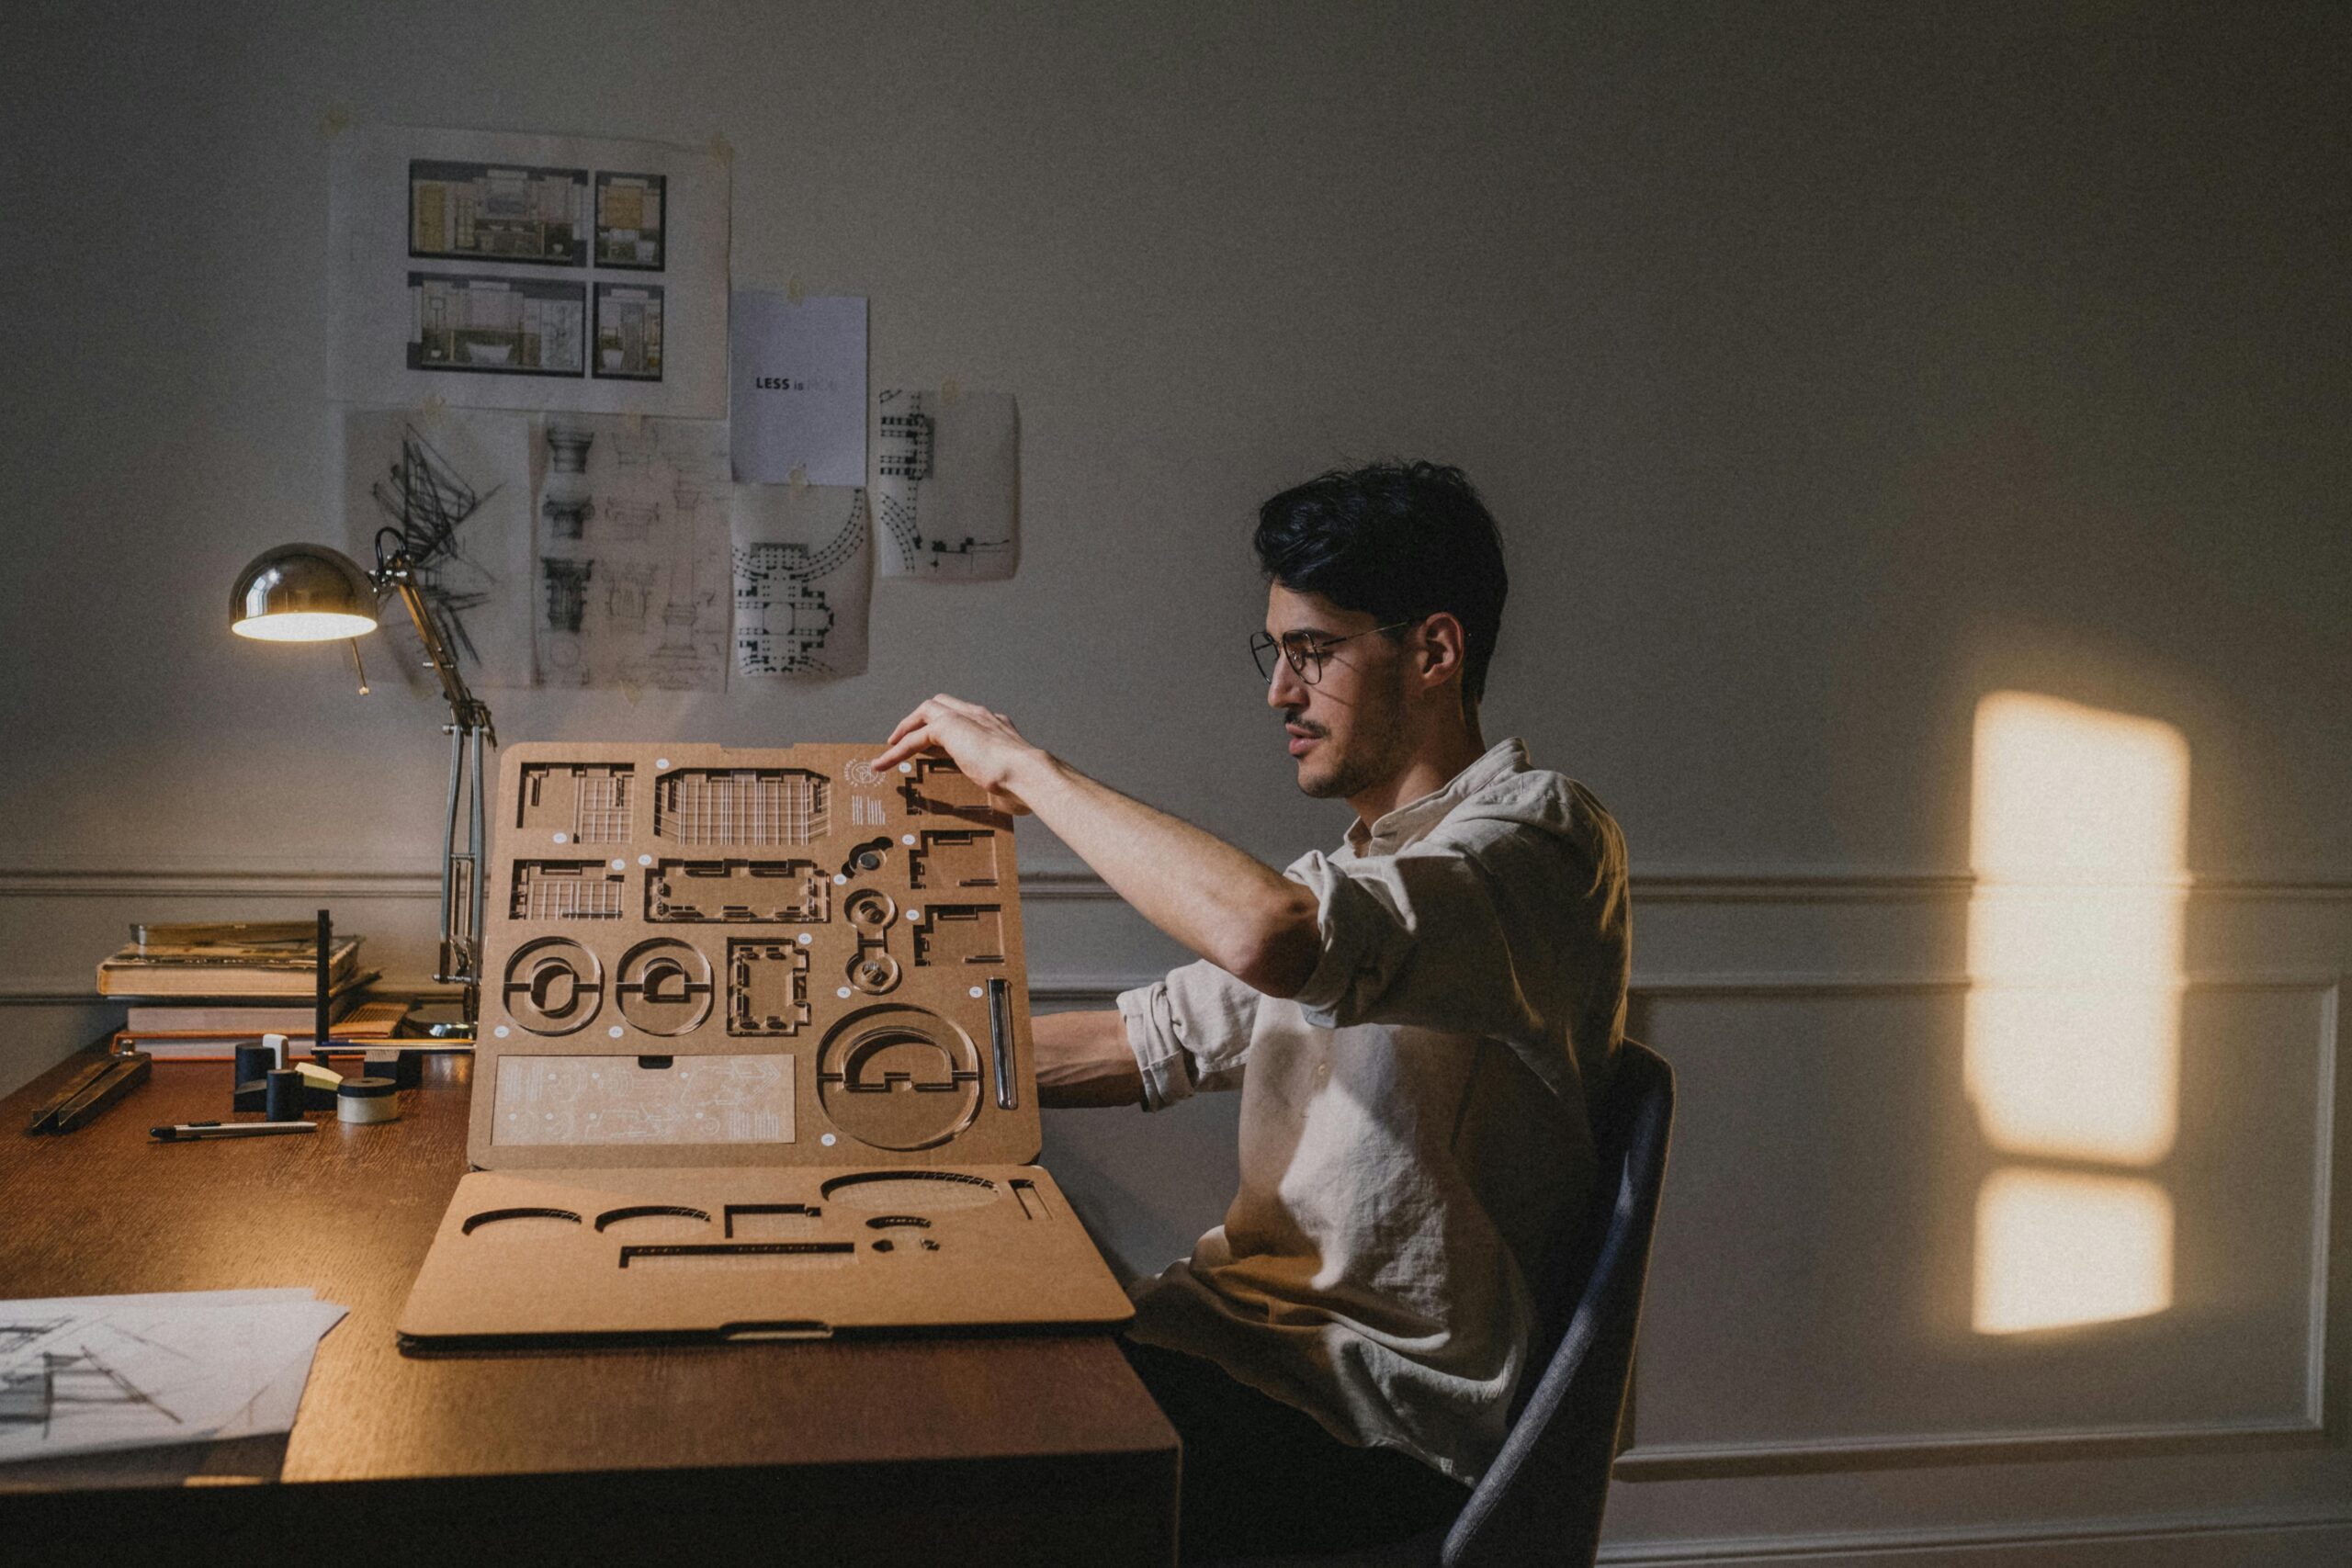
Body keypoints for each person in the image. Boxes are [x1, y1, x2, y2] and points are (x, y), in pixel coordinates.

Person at [870, 460, 1630, 1559]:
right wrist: (837, 1076)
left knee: (941, 1459)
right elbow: (1136, 1042)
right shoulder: (1367, 877)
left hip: (1372, 1424)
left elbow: (1270, 935)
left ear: (1433, 652)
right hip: (1233, 1352)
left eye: (1312, 652)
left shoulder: (1538, 843)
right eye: (1274, 653)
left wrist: (1025, 771)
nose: (1279, 691)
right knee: (925, 1388)